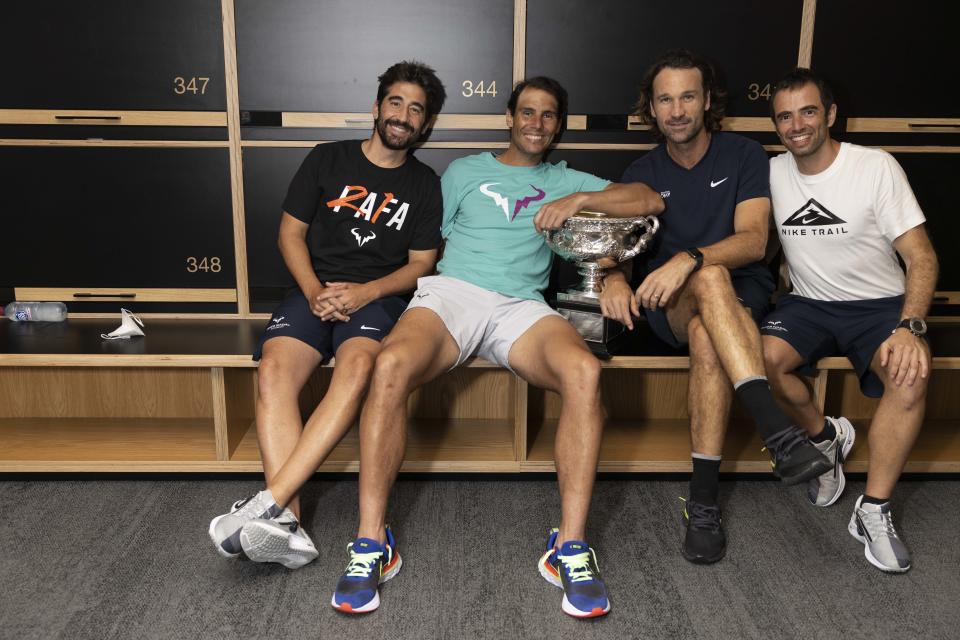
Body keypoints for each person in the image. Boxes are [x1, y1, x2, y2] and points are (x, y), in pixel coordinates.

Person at [327, 76, 663, 618]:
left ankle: (569, 547)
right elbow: (423, 251)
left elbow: (648, 200)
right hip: (453, 294)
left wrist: (579, 199)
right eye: (526, 112)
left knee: (585, 374)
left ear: (558, 126)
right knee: (389, 364)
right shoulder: (463, 171)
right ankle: (371, 542)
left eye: (548, 115)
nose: (536, 124)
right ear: (509, 117)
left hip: (521, 306)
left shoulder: (564, 179)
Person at [207, 60, 447, 571]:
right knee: (272, 371)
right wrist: (316, 291)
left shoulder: (426, 183)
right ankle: (287, 523)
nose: (404, 115)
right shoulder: (327, 159)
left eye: (416, 109)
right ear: (377, 107)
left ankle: (269, 502)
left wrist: (364, 293)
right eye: (396, 102)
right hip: (312, 292)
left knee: (359, 368)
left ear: (425, 125)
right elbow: (289, 234)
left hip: (378, 299)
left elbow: (422, 264)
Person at [599, 50, 831, 565]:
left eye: (687, 96)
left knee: (710, 312)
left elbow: (752, 241)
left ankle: (702, 503)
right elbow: (612, 248)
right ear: (652, 110)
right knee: (703, 287)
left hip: (738, 294)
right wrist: (613, 276)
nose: (677, 110)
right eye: (665, 100)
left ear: (706, 101)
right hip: (667, 309)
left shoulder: (744, 156)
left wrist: (690, 258)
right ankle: (776, 428)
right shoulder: (640, 172)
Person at [762, 68, 938, 573]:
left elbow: (922, 258)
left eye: (809, 111)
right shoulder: (771, 173)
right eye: (785, 116)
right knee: (755, 364)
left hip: (880, 304)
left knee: (911, 374)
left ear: (831, 114)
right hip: (808, 305)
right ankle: (825, 440)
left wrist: (910, 327)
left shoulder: (875, 166)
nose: (797, 125)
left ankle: (874, 510)